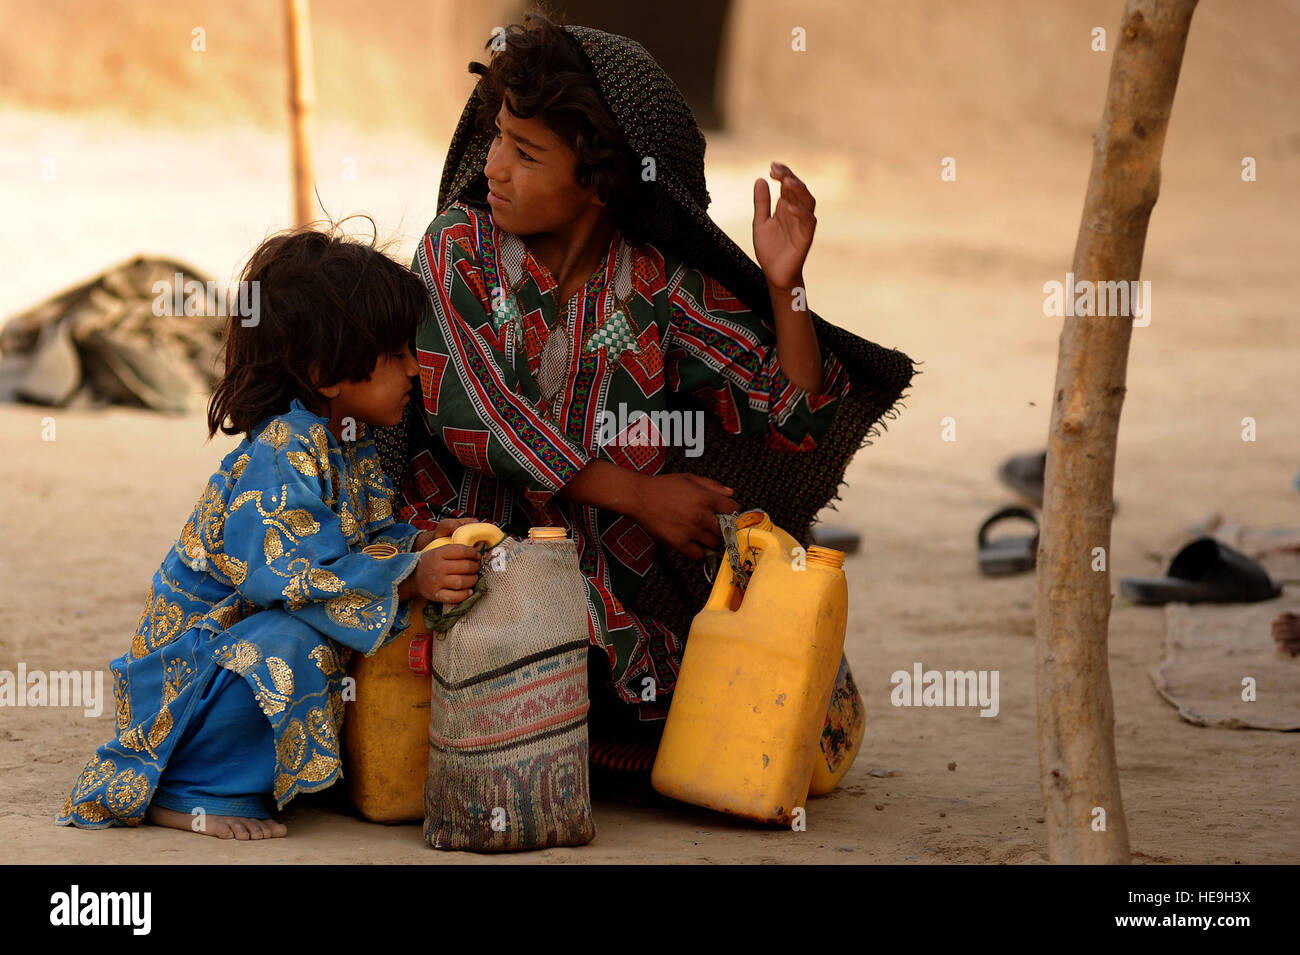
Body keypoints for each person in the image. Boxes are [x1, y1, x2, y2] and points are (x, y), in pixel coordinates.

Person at [378, 12, 916, 750]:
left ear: (599, 183)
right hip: (464, 555)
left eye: (526, 152)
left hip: (605, 588)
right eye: (499, 135)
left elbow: (795, 415)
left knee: (750, 699)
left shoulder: (660, 289)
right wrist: (638, 493)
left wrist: (785, 286)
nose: (495, 165)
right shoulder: (456, 249)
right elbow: (476, 415)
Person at [56, 226, 482, 839]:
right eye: (395, 354)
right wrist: (410, 579)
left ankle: (238, 773)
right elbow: (290, 583)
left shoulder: (346, 444)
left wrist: (417, 540)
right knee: (292, 641)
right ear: (326, 373)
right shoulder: (284, 451)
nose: (415, 368)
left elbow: (365, 537)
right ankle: (189, 790)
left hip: (222, 672)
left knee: (316, 638)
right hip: (190, 685)